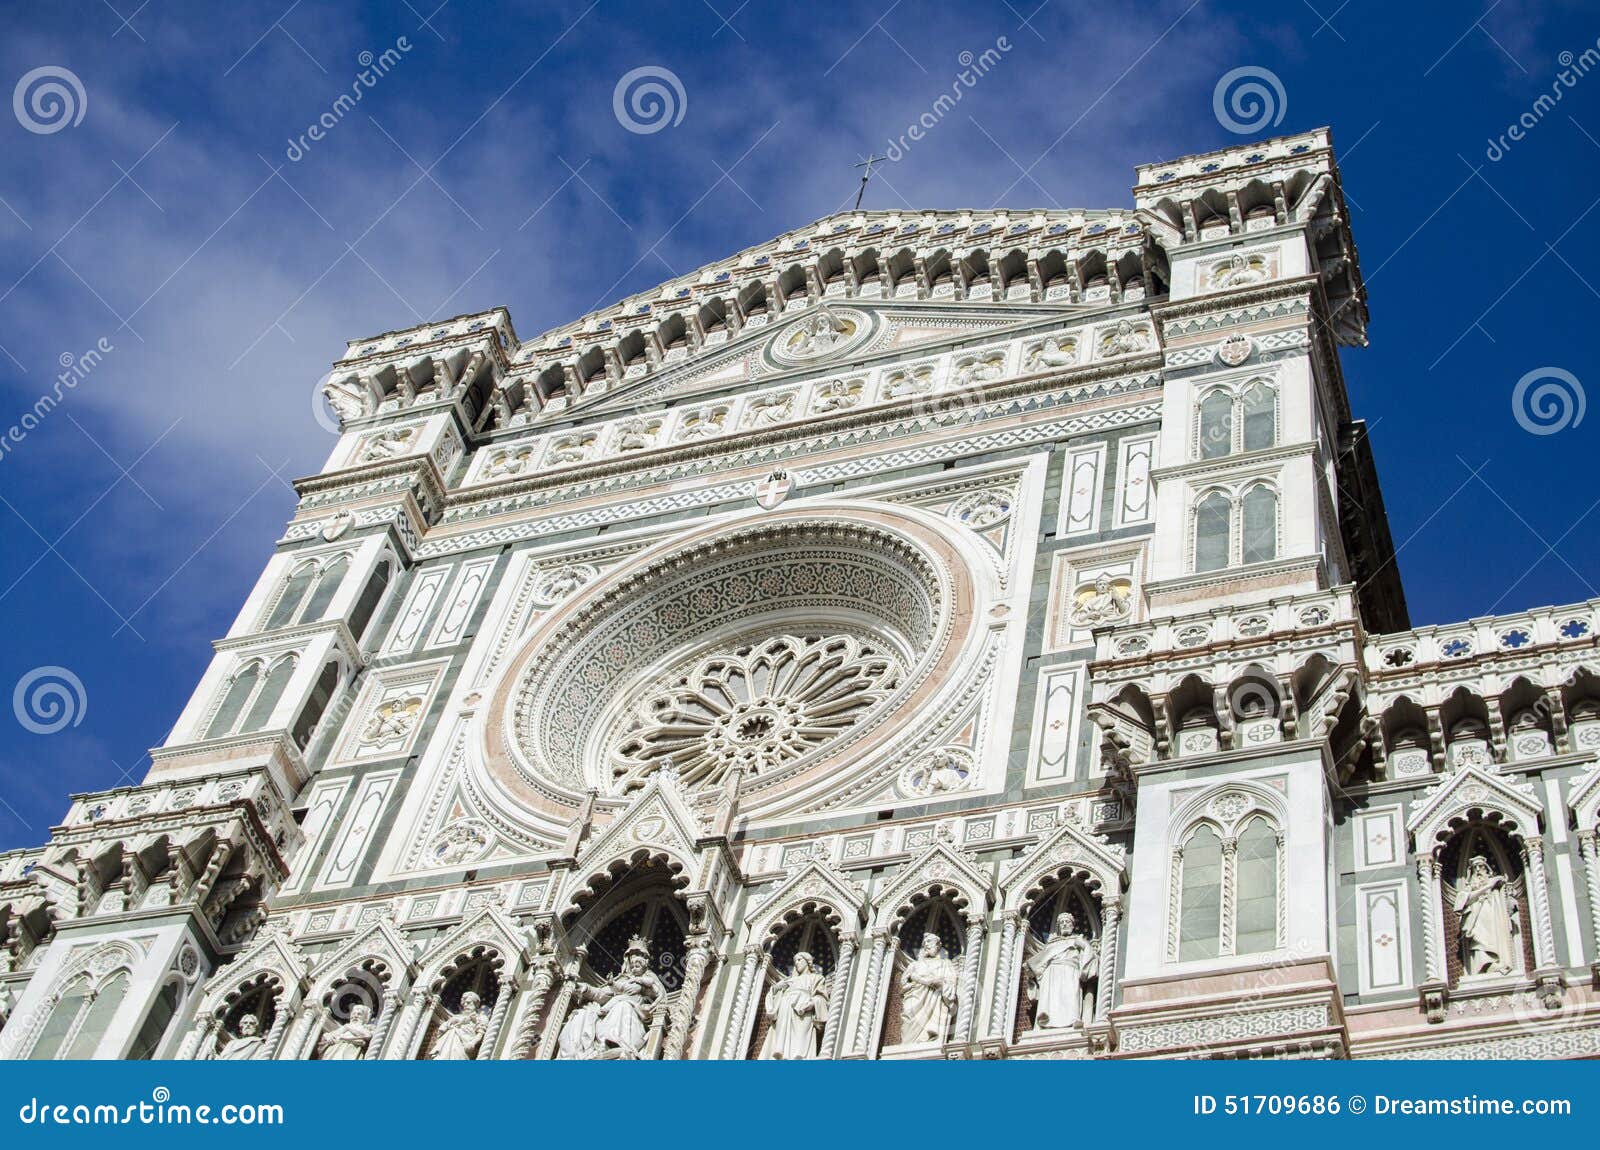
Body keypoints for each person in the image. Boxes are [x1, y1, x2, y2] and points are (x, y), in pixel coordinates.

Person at [557, 937, 667, 1059]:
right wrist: (585, 988)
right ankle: (584, 1050)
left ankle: (614, 1043)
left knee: (623, 1005)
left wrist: (651, 1003)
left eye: (638, 956)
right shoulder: (623, 979)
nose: (634, 962)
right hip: (612, 1009)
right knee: (582, 1014)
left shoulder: (648, 978)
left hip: (634, 1011)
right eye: (632, 957)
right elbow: (602, 994)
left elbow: (660, 994)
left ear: (645, 962)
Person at [759, 951, 829, 1060]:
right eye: (795, 961)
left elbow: (822, 998)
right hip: (785, 1008)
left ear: (808, 962)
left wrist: (812, 1004)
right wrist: (778, 987)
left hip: (803, 1009)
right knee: (781, 1040)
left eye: (799, 960)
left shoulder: (816, 978)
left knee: (800, 1041)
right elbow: (773, 995)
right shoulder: (789, 980)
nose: (796, 963)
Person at [899, 932, 959, 1044]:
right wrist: (910, 986)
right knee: (909, 1014)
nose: (927, 945)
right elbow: (903, 982)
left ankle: (930, 1037)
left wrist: (941, 985)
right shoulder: (914, 965)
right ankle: (907, 1043)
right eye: (925, 943)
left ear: (938, 946)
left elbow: (951, 983)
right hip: (915, 997)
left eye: (930, 942)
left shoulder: (945, 964)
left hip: (935, 999)